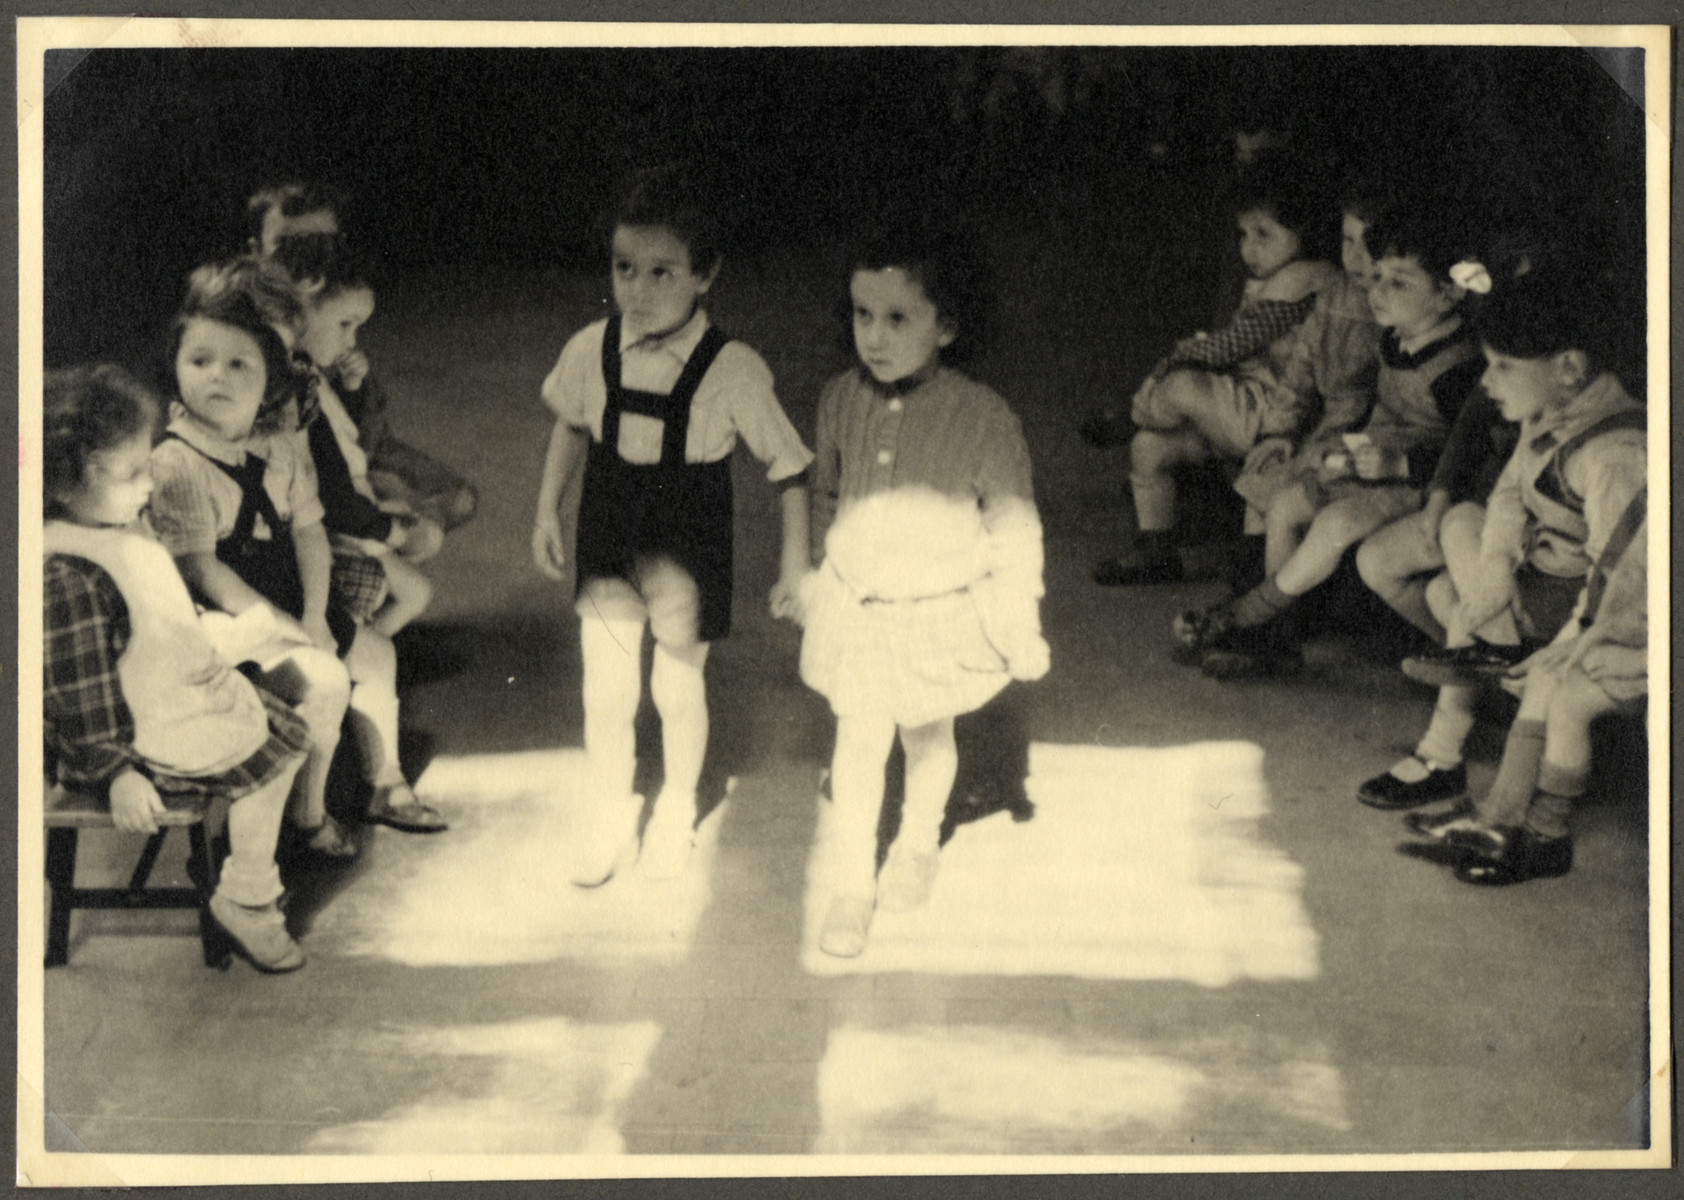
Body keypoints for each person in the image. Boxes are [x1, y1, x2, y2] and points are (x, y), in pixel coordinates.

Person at [533, 165, 813, 885]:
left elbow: (789, 468)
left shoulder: (733, 369)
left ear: (705, 274)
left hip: (688, 542)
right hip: (607, 534)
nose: (639, 289)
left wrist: (794, 563)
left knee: (677, 688)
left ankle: (679, 806)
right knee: (606, 687)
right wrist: (546, 509)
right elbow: (569, 426)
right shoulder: (590, 346)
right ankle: (609, 812)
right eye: (625, 268)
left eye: (663, 272)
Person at [799, 217, 1049, 958]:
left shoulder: (984, 418)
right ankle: (851, 886)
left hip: (936, 612)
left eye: (898, 318)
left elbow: (1014, 529)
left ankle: (915, 840)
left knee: (929, 735)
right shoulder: (839, 397)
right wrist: (816, 570)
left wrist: (1018, 623)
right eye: (862, 315)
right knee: (858, 743)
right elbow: (823, 492)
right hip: (861, 611)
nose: (873, 336)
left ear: (948, 327)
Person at [148, 261, 446, 857]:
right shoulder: (182, 451)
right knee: (322, 675)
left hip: (286, 570)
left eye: (259, 359)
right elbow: (203, 568)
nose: (235, 372)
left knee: (374, 652)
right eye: (214, 358)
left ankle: (381, 782)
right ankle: (300, 809)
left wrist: (314, 615)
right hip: (223, 612)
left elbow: (312, 513)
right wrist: (292, 627)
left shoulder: (278, 427)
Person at [43, 365, 311, 972]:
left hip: (165, 695)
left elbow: (151, 615)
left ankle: (247, 875)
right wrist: (114, 774)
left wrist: (216, 636)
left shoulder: (114, 525)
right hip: (125, 736)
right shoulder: (65, 571)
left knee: (285, 725)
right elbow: (77, 690)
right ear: (70, 479)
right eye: (133, 472)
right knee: (273, 755)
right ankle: (249, 893)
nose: (149, 482)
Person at [1388, 263, 1644, 847]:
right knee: (1459, 548)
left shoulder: (1614, 456)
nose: (1487, 382)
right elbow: (1507, 494)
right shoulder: (1551, 411)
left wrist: (1566, 649)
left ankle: (1475, 791)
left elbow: (1619, 581)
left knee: (1458, 609)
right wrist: (1498, 574)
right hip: (1544, 579)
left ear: (1569, 369)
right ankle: (1491, 642)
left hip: (1598, 608)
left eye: (1504, 366)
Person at [1178, 206, 1485, 679]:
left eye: (1397, 283)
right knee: (1286, 505)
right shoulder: (1395, 340)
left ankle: (1247, 614)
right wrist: (1345, 448)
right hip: (1371, 463)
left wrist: (1399, 464)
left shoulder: (1457, 369)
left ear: (1448, 293)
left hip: (1420, 483)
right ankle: (1278, 637)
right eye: (1376, 276)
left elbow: (1473, 457)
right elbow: (1375, 408)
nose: (1377, 291)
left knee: (1335, 524)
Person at [1093, 157, 1340, 586]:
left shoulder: (1304, 279)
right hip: (1243, 405)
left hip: (1276, 415)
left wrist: (1173, 363)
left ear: (1305, 232)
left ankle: (1138, 412)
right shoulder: (1275, 277)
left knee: (1182, 385)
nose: (1250, 249)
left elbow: (1232, 345)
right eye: (1245, 235)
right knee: (1149, 448)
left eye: (1265, 235)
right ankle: (1157, 551)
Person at [247, 181, 479, 533]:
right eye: (287, 249)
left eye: (321, 249)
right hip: (316, 473)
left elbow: (364, 425)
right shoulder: (252, 332)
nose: (308, 269)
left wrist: (353, 387)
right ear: (255, 252)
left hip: (361, 444)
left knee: (457, 498)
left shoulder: (332, 304)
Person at [270, 237, 441, 639]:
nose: (351, 341)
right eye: (344, 324)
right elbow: (328, 477)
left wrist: (350, 386)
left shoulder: (306, 374)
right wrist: (383, 527)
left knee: (418, 563)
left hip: (335, 511)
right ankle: (364, 652)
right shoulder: (295, 383)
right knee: (414, 585)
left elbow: (339, 442)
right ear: (303, 303)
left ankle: (368, 648)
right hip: (321, 528)